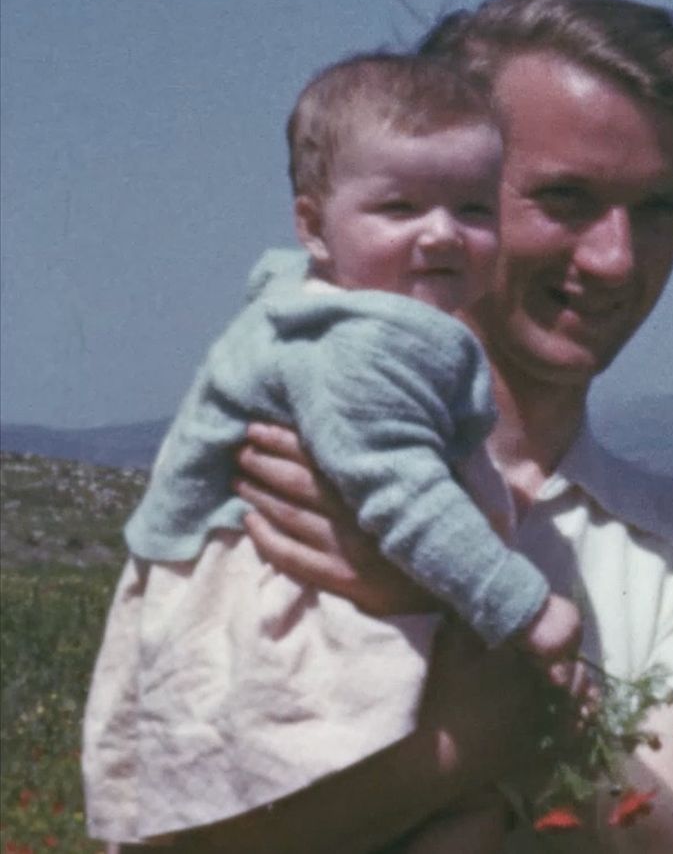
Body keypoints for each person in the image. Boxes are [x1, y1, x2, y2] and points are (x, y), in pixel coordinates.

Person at [212, 0, 673, 853]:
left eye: (656, 209)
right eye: (564, 198)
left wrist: (483, 644)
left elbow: (667, 844)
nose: (614, 259)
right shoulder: (271, 475)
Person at [82, 52, 585, 852]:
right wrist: (525, 607)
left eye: (473, 207)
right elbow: (402, 494)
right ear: (314, 226)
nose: (442, 233)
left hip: (281, 608)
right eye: (400, 206)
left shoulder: (329, 309)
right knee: (410, 808)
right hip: (284, 628)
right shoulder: (361, 344)